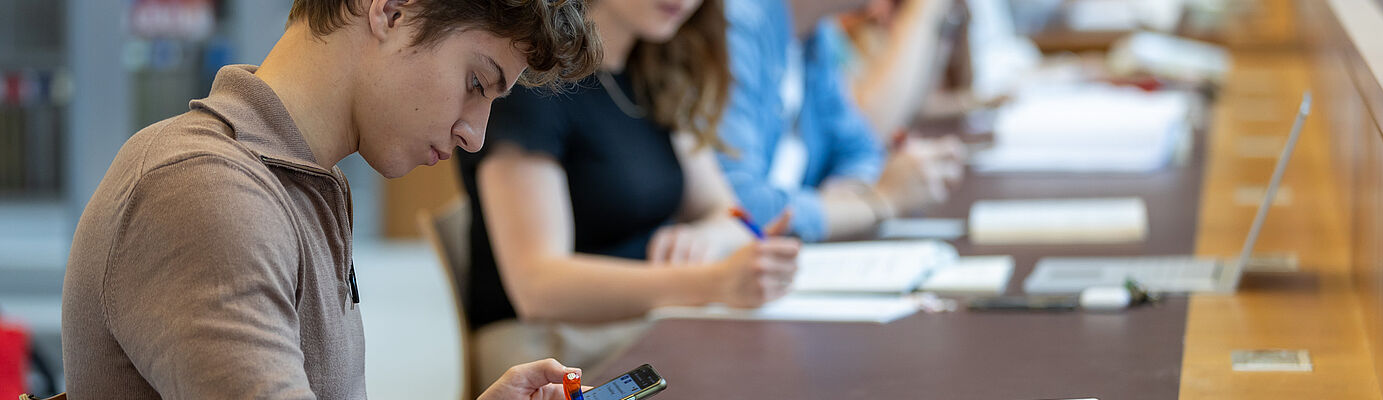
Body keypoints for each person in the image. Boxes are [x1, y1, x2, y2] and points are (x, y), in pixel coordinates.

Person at [60, 0, 600, 398]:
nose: (474, 135)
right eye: (477, 83)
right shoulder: (204, 190)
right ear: (390, 12)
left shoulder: (298, 185)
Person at [455, 0, 802, 388]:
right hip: (552, 351)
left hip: (646, 329)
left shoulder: (654, 70)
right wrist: (713, 282)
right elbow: (537, 286)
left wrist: (702, 236)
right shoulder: (533, 82)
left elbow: (730, 215)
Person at [718, 0, 967, 243]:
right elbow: (737, 209)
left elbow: (862, 151)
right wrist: (876, 201)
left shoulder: (816, 35)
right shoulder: (736, 22)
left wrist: (848, 204)